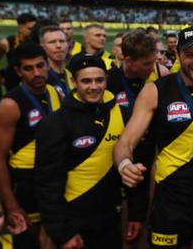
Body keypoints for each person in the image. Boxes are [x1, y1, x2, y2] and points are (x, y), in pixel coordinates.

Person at [114, 26, 193, 249]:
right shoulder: (156, 91)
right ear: (177, 55)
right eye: (190, 55)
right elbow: (125, 142)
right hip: (171, 199)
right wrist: (125, 164)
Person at [35, 54, 133, 249]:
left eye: (99, 80)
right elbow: (47, 185)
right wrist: (63, 234)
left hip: (110, 220)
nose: (94, 86)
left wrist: (135, 214)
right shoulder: (55, 123)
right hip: (73, 224)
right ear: (74, 82)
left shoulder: (122, 114)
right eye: (86, 81)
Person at [0, 42, 62, 248]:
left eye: (40, 66)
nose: (37, 73)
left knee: (52, 238)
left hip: (54, 180)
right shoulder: (10, 104)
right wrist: (11, 204)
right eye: (28, 68)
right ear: (18, 71)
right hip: (26, 182)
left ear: (48, 64)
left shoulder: (55, 92)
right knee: (30, 241)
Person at [106, 30, 169, 247]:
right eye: (146, 64)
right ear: (128, 60)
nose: (152, 68)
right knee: (122, 222)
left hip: (151, 158)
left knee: (145, 218)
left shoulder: (160, 77)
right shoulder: (108, 82)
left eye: (154, 62)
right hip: (118, 159)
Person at [0, 13, 37, 90]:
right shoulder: (6, 43)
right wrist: (1, 75)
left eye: (34, 29)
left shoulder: (36, 42)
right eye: (29, 29)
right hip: (13, 84)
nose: (33, 32)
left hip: (33, 82)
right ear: (20, 27)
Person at [40, 26, 74, 99]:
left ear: (68, 44)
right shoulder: (40, 78)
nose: (58, 46)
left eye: (62, 41)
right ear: (42, 46)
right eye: (52, 42)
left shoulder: (72, 75)